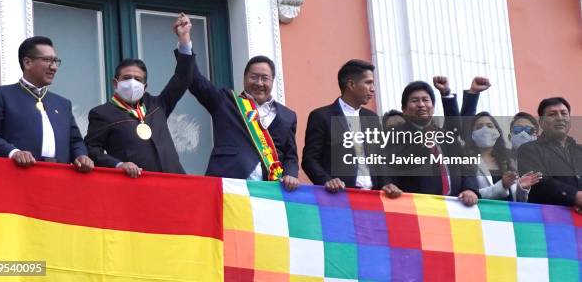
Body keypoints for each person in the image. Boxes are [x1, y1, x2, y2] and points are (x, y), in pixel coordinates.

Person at [85, 14, 194, 178]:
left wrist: (184, 39)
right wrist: (118, 164)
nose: (132, 82)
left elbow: (182, 78)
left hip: (174, 183)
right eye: (126, 78)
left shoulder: (157, 104)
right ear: (115, 83)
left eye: (138, 79)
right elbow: (91, 150)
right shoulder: (102, 114)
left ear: (145, 86)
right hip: (135, 187)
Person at [0, 36, 93, 172]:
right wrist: (14, 153)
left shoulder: (63, 103)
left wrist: (81, 156)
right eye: (47, 60)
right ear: (27, 63)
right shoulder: (2, 95)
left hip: (59, 179)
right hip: (18, 175)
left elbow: (75, 141)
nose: (54, 67)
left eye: (56, 61)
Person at [189, 54, 299, 190]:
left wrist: (291, 174)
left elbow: (290, 156)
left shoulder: (288, 116)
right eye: (254, 77)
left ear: (272, 81)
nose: (259, 83)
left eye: (265, 78)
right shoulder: (225, 101)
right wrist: (184, 43)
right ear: (245, 78)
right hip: (228, 187)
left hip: (269, 193)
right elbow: (196, 81)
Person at [302, 59, 402, 196]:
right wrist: (327, 181)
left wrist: (386, 184)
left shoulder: (372, 118)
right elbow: (310, 160)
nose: (373, 88)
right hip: (338, 197)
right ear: (351, 84)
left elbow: (380, 158)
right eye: (368, 82)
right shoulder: (321, 116)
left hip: (374, 197)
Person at [385, 80, 480, 206]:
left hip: (456, 207)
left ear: (433, 108)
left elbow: (465, 166)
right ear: (404, 110)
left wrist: (470, 189)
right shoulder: (395, 136)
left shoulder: (445, 135)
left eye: (425, 100)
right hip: (419, 208)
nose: (421, 105)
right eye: (414, 101)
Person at [518, 97, 582, 209]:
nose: (560, 118)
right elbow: (539, 181)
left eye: (564, 113)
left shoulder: (579, 150)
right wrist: (575, 196)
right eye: (552, 114)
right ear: (542, 122)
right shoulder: (529, 150)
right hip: (548, 220)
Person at [465, 112, 541, 201]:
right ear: (472, 134)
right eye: (479, 127)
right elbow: (470, 194)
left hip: (508, 213)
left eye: (490, 126)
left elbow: (517, 199)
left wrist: (521, 188)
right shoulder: (466, 161)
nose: (485, 130)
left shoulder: (507, 160)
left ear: (497, 132)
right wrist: (502, 186)